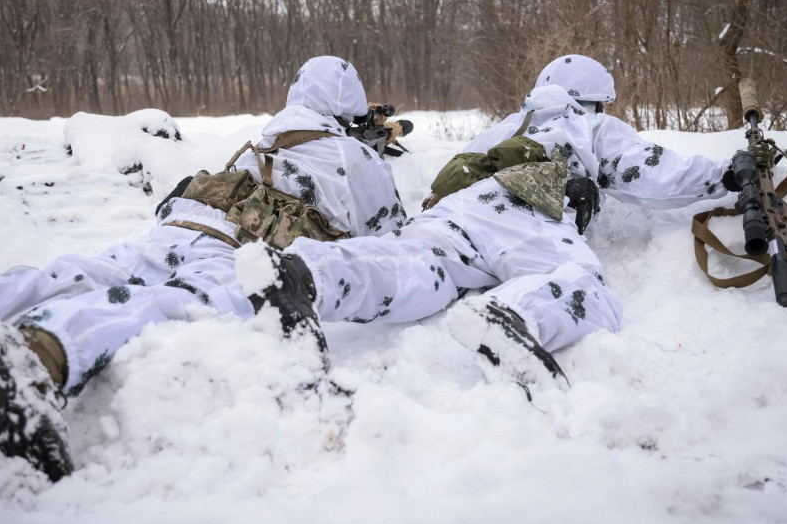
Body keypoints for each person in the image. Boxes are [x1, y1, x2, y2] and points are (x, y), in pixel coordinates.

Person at [0, 55, 408, 481]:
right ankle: (41, 353)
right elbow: (392, 244)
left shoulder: (273, 130)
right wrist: (371, 156)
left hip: (176, 230)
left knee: (66, 275)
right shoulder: (354, 158)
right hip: (232, 253)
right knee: (164, 307)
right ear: (355, 109)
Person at [251, 54, 731, 391]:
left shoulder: (503, 127)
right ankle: (518, 316)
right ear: (593, 101)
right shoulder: (586, 123)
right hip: (525, 213)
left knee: (414, 266)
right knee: (587, 288)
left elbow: (451, 180)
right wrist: (728, 175)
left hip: (455, 213)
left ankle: (310, 274)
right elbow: (650, 172)